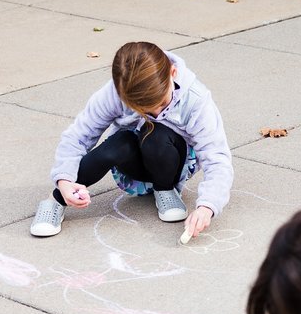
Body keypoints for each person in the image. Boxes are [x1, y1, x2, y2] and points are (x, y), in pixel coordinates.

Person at [31, 41, 233, 238]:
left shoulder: (196, 100)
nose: (155, 112)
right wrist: (64, 181)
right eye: (142, 109)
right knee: (116, 145)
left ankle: (165, 189)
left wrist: (207, 207)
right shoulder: (115, 91)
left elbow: (216, 157)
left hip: (173, 159)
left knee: (157, 133)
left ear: (173, 73)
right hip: (132, 160)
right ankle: (55, 200)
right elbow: (78, 136)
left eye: (161, 102)